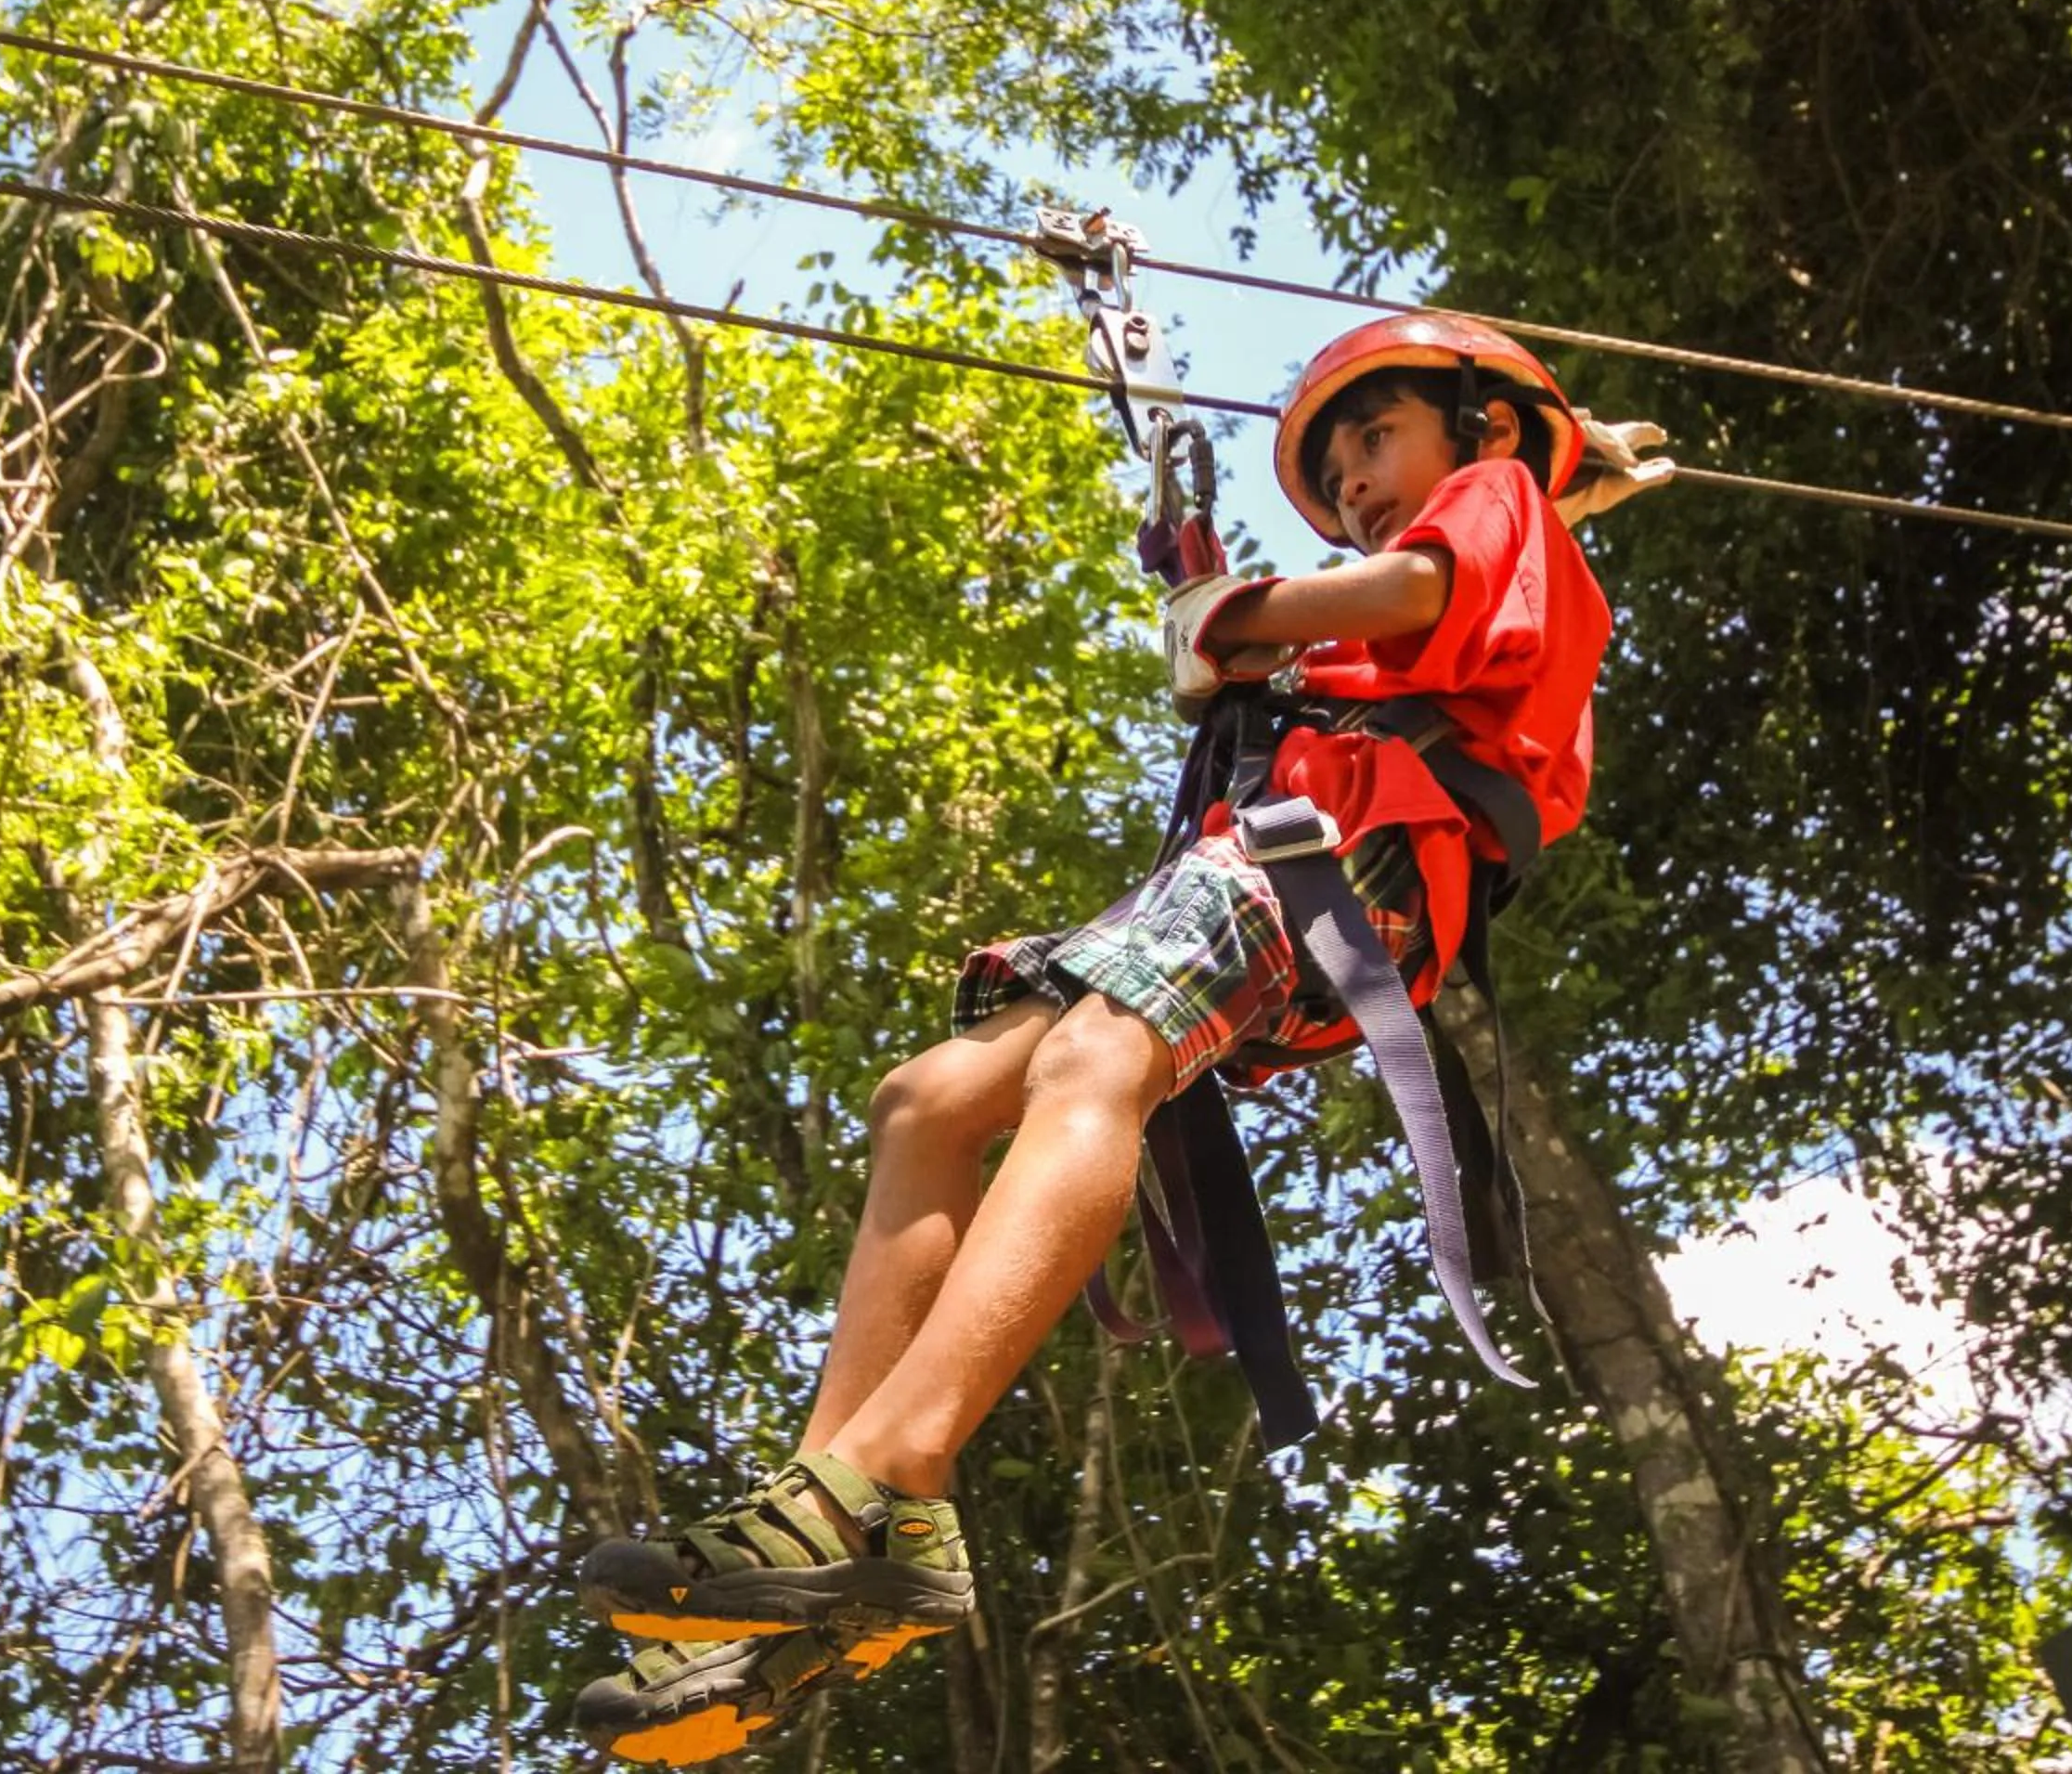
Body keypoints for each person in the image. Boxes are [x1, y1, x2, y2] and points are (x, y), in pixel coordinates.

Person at [571, 312, 1667, 1766]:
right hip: (1279, 851)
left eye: (1375, 440)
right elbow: (1393, 614)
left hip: (1352, 853)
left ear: (1488, 429)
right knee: (928, 1099)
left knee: (1099, 1061)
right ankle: (834, 1513)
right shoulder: (1446, 575)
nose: (1353, 482)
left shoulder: (1497, 494)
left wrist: (1235, 616)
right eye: (1335, 470)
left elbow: (1415, 587)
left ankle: (893, 1470)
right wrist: (1237, 623)